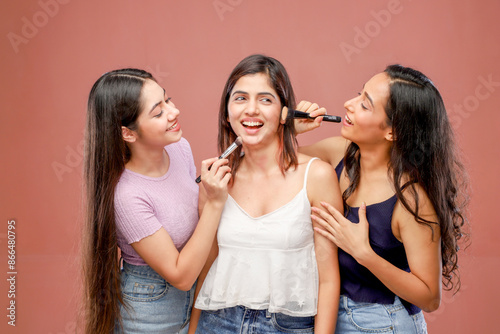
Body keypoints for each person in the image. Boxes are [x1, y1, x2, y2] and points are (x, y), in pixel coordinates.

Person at [297, 64, 469, 333]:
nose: (348, 104)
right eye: (358, 94)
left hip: (384, 323)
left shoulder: (412, 199)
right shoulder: (340, 153)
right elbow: (274, 163)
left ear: (393, 131)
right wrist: (291, 131)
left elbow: (430, 297)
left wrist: (363, 253)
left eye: (365, 105)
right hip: (329, 315)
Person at [188, 54, 342, 334]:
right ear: (226, 113)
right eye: (240, 98)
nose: (251, 110)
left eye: (265, 99)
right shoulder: (216, 181)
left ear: (285, 113)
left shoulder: (317, 177)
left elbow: (329, 279)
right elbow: (207, 265)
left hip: (289, 326)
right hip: (218, 322)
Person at [82, 68, 232, 334]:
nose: (173, 112)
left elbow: (197, 225)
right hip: (150, 309)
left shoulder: (179, 148)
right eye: (158, 112)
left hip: (196, 296)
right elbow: (181, 276)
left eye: (167, 100)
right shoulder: (128, 195)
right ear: (128, 133)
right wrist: (216, 204)